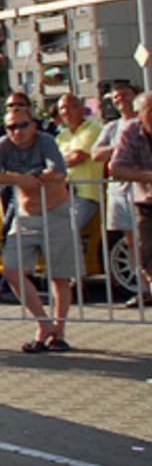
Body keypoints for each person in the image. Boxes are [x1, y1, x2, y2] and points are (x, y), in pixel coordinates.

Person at [0, 108, 75, 352]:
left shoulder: (46, 142)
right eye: (11, 127)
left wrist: (37, 175)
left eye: (22, 125)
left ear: (34, 125)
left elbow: (59, 172)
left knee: (59, 276)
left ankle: (58, 332)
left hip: (55, 212)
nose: (17, 132)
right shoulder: (3, 145)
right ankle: (43, 322)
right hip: (26, 216)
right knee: (12, 269)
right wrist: (16, 179)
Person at [93, 80, 144, 302]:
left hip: (142, 189)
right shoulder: (112, 128)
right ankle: (141, 288)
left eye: (125, 95)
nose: (120, 100)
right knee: (130, 240)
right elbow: (96, 153)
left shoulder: (144, 122)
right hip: (119, 191)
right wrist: (121, 147)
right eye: (116, 97)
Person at [102, 90, 152, 306]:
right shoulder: (131, 131)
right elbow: (117, 168)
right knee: (147, 258)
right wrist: (148, 176)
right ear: (139, 113)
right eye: (150, 110)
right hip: (147, 203)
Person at [55, 92, 104, 246]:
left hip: (86, 195)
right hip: (63, 195)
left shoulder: (93, 129)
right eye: (63, 108)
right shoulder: (61, 137)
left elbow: (78, 157)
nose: (67, 111)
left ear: (82, 109)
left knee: (66, 231)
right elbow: (53, 164)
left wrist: (64, 159)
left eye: (73, 106)